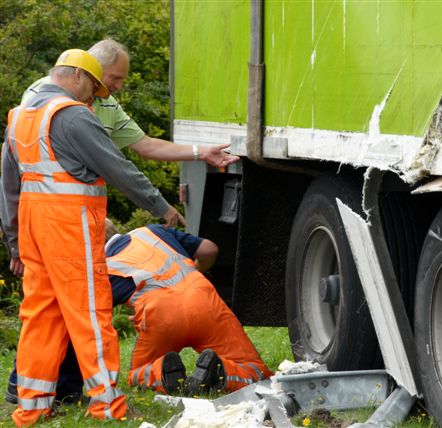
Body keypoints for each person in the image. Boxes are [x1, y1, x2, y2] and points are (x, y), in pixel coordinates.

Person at [0, 48, 185, 426]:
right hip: (68, 227)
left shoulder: (19, 117)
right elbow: (119, 169)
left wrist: (14, 242)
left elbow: (8, 187)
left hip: (32, 228)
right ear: (77, 76)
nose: (91, 100)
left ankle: (31, 408)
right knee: (89, 312)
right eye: (93, 90)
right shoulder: (72, 116)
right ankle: (106, 404)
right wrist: (162, 207)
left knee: (39, 315)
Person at [106, 221, 273, 395]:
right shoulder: (152, 231)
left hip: (160, 317)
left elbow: (96, 317)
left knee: (139, 372)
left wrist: (141, 312)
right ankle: (220, 374)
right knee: (255, 369)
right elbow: (209, 250)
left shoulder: (102, 266)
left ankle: (163, 373)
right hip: (204, 301)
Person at [23, 38, 239, 169]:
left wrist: (202, 152)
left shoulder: (108, 105)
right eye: (115, 78)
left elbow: (146, 145)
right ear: (93, 70)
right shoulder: (41, 93)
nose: (120, 86)